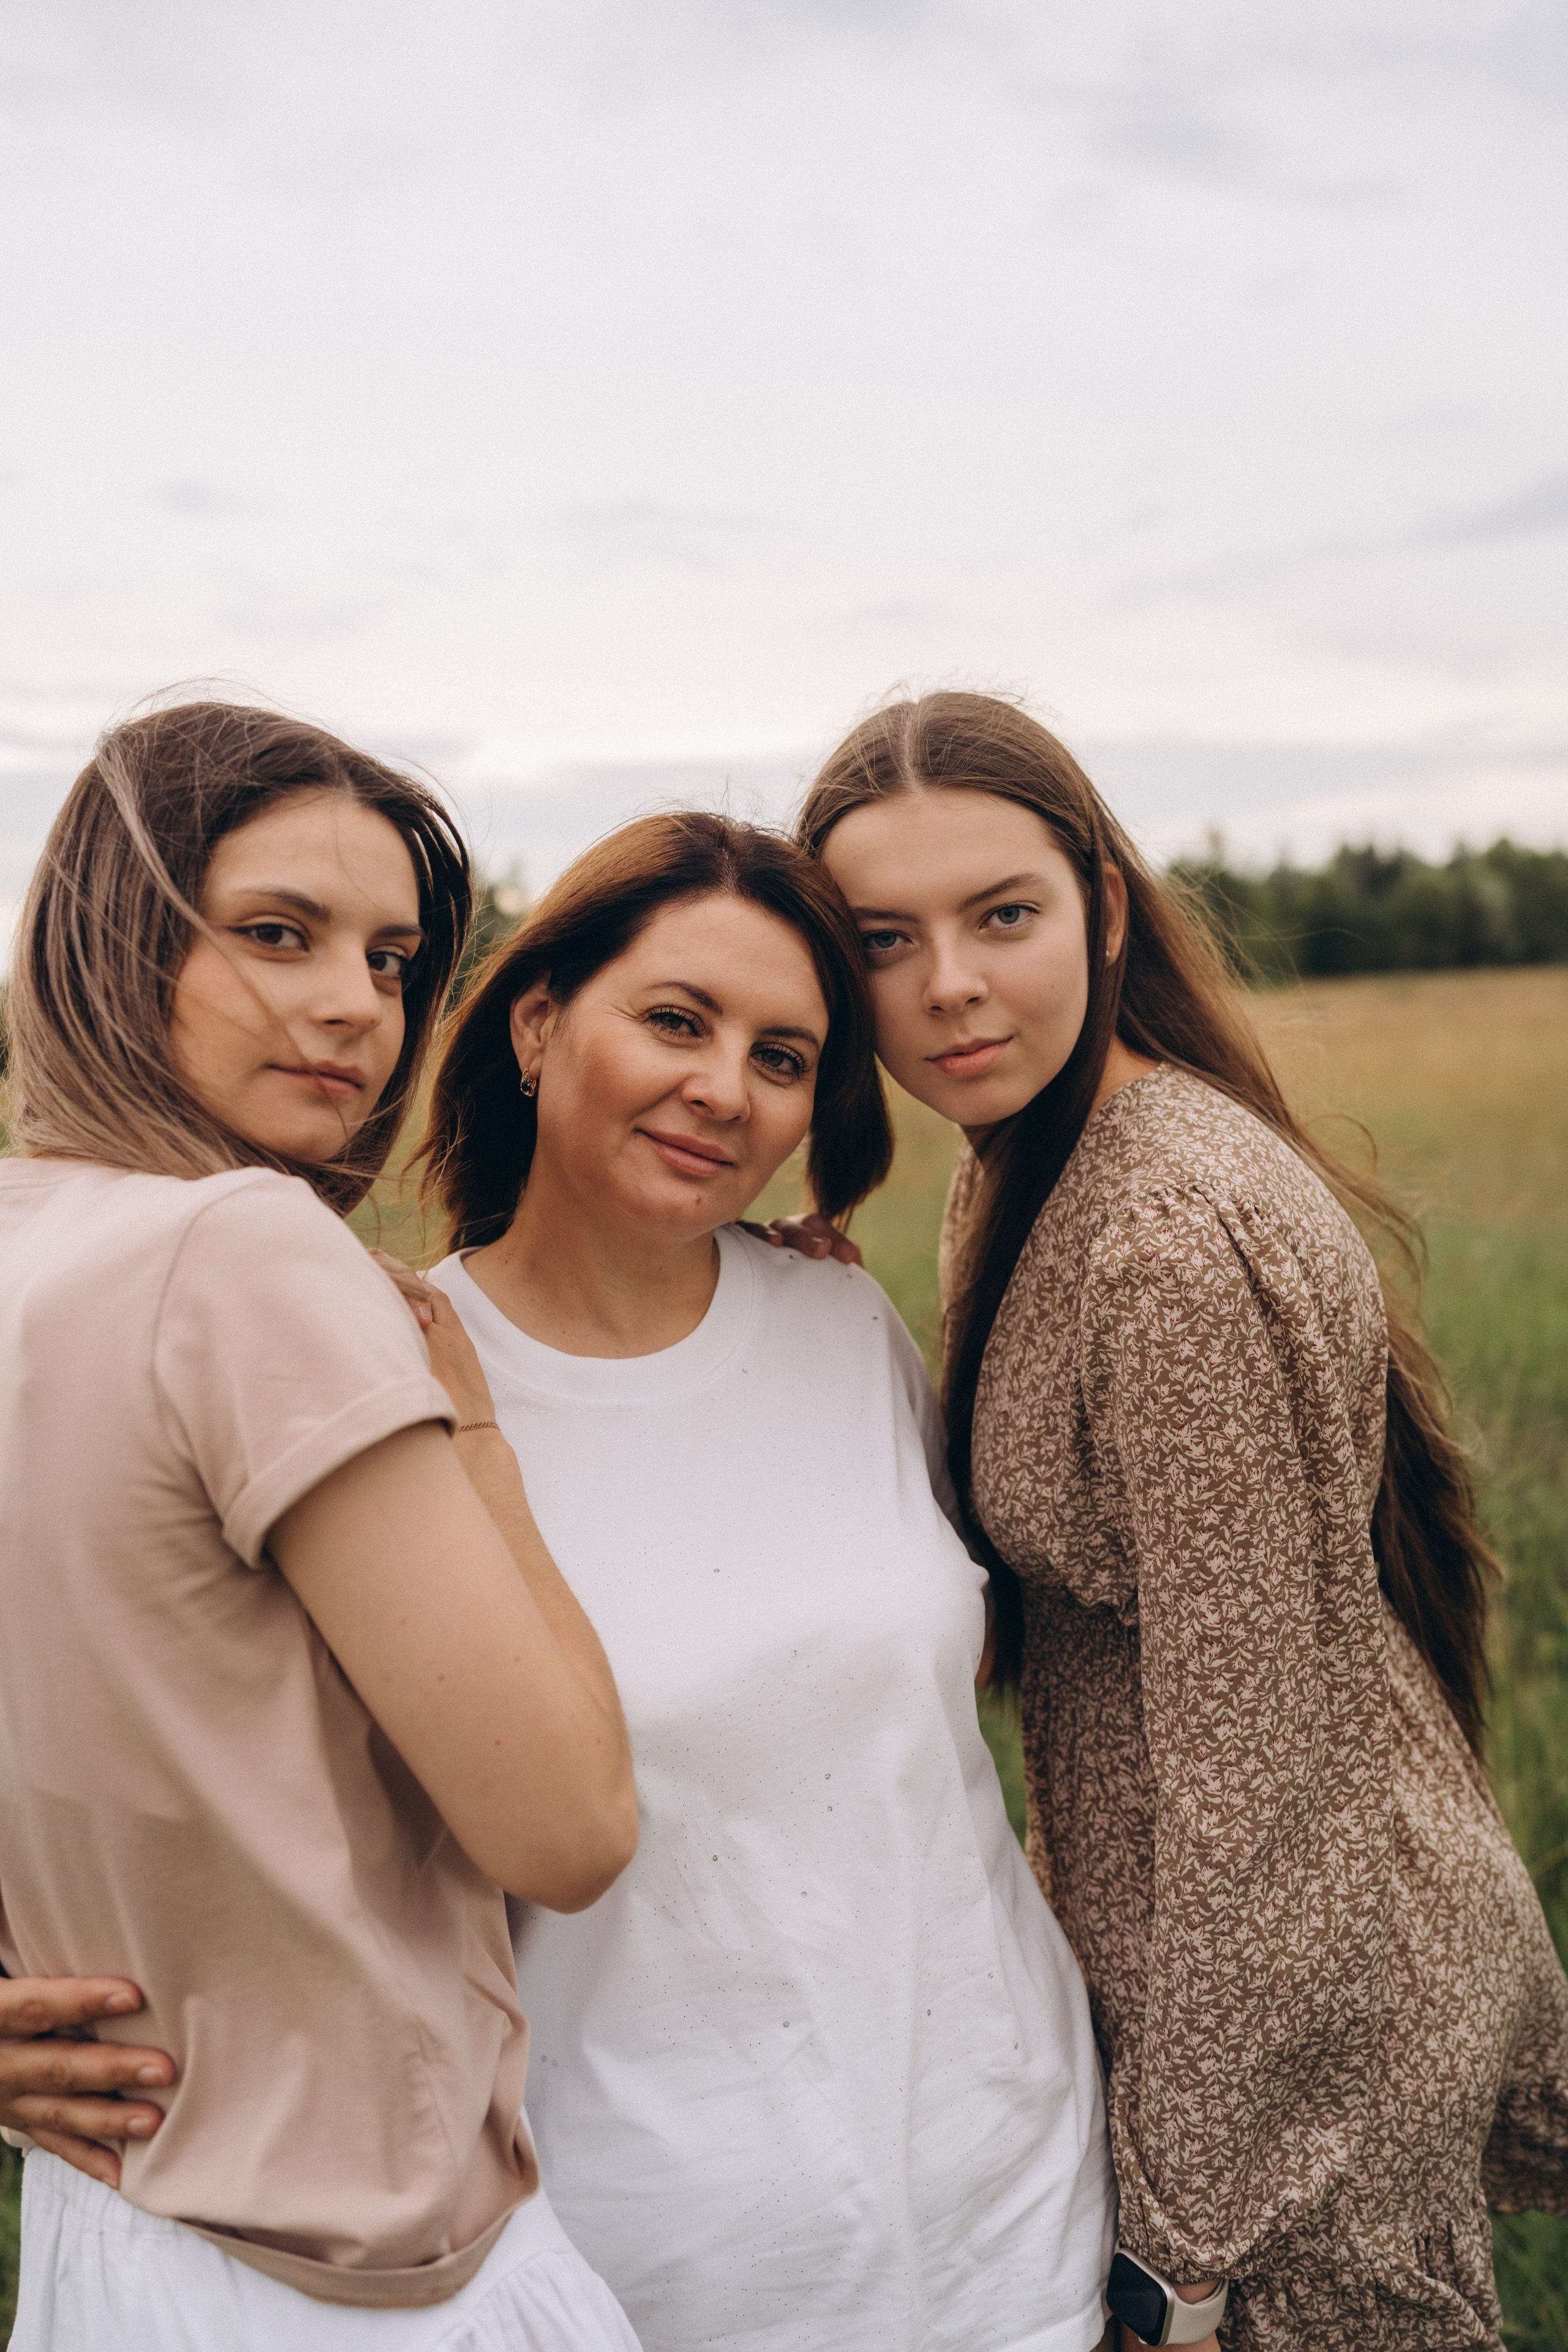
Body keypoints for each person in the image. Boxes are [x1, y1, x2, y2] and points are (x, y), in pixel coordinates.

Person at [773, 690, 1568, 2350]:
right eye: (882, 942)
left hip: (1296, 2036)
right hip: (1250, 1982)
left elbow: (1253, 1783)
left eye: (1003, 915)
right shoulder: (1030, 1153)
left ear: (1105, 906)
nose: (950, 987)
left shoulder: (1158, 1239)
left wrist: (1183, 2247)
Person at [395, 810, 1116, 2352]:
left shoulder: (842, 1331)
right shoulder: (398, 1384)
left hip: (1017, 2199)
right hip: (677, 2264)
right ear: (537, 1022)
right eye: (674, 1020)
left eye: (782, 1057)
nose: (723, 1089)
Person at [0, 702, 641, 2351]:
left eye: (389, 957)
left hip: (110, 2229)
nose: (354, 1006)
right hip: (368, 2281)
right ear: (113, 936)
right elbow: (566, 1830)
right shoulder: (242, 1254)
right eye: (278, 935)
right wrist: (481, 1441)